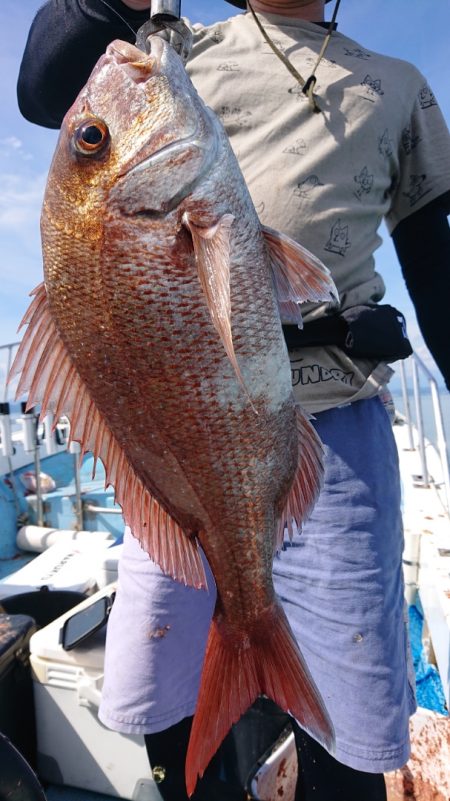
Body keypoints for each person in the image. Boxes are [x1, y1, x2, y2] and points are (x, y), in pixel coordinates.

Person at [17, 1, 450, 800]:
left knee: (349, 727)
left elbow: (439, 270)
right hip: (180, 456)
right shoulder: (178, 53)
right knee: (164, 692)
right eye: (96, 142)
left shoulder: (398, 89)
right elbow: (43, 84)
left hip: (335, 433)